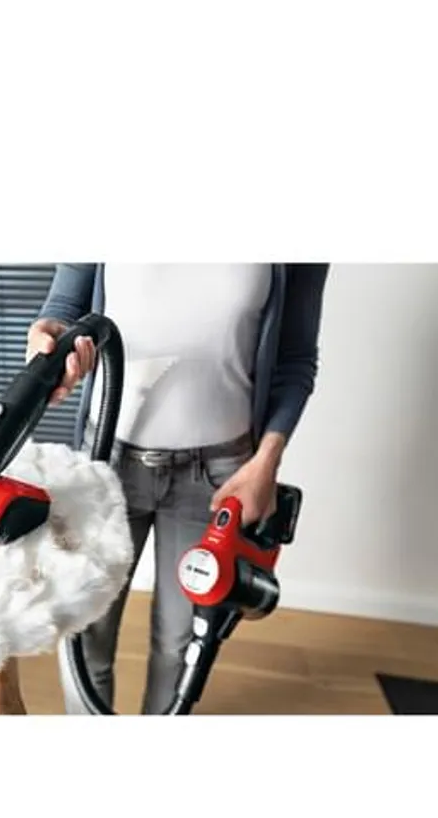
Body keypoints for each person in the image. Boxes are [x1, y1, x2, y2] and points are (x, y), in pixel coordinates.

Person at [27, 263, 329, 714]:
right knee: (84, 635)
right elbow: (65, 307)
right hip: (106, 463)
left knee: (179, 643)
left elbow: (295, 359)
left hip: (218, 478)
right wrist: (49, 341)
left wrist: (267, 461)